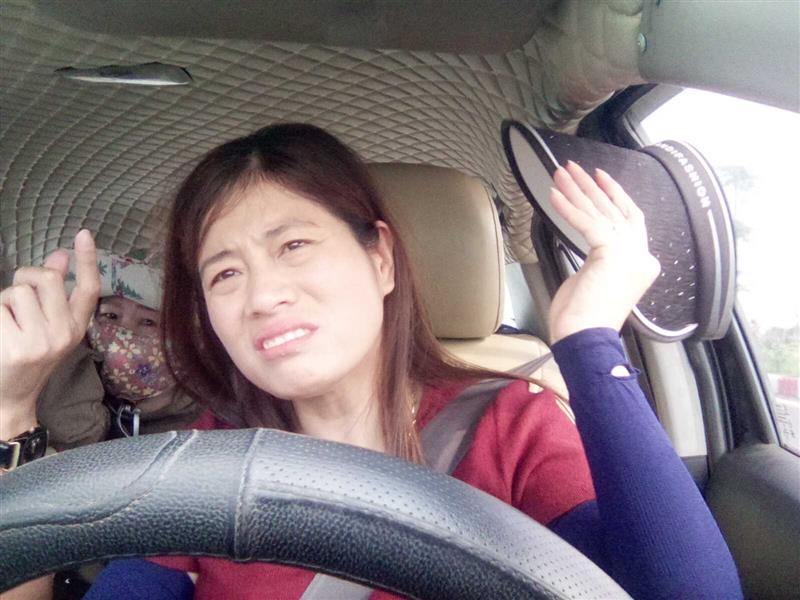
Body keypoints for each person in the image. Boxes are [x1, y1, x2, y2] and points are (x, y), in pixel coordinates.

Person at [0, 124, 743, 600]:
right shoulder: (202, 469)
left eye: (294, 245)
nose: (261, 296)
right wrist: (11, 406)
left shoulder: (511, 427)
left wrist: (587, 340)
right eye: (224, 274)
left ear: (380, 259)